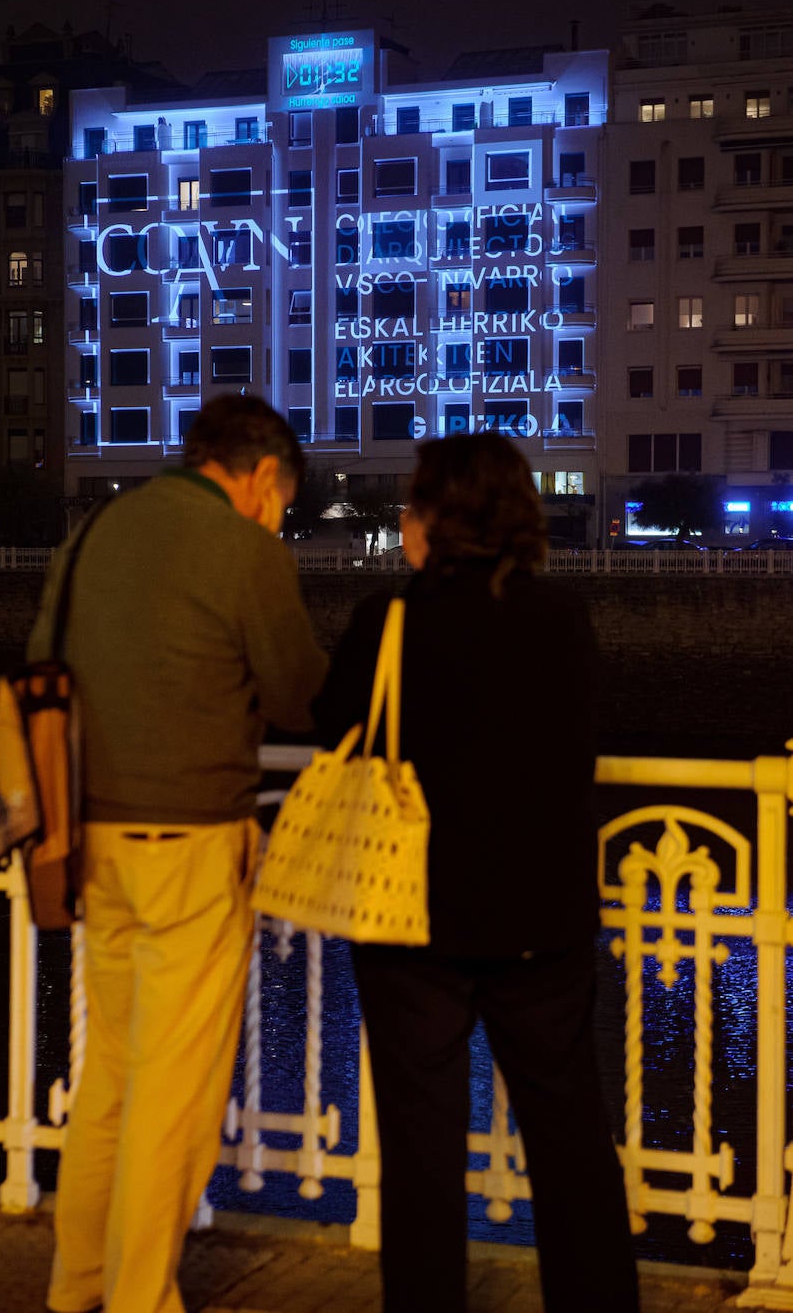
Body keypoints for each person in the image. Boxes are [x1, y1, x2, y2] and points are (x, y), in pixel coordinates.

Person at [313, 434, 638, 1313]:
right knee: (570, 1139)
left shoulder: (391, 623)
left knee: (423, 1155)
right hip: (543, 918)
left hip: (412, 917)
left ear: (431, 523)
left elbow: (333, 724)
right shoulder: (561, 619)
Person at [32, 394, 328, 1313]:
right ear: (262, 477)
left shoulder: (96, 532)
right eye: (282, 502)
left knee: (112, 1078)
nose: (278, 518)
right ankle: (140, 1297)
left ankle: (75, 1285)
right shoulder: (245, 549)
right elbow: (298, 695)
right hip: (194, 844)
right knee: (175, 1094)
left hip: (91, 843)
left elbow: (45, 662)